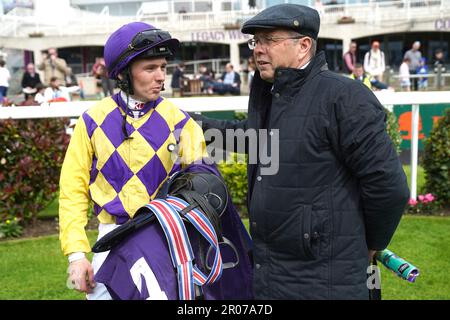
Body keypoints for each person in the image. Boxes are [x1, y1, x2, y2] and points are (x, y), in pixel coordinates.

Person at [190, 3, 409, 299]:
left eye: (269, 40)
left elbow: (388, 186)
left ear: (304, 46)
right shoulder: (273, 93)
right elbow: (256, 140)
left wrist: (371, 245)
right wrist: (190, 124)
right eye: (256, 41)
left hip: (323, 280)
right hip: (272, 275)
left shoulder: (344, 97)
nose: (257, 49)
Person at [58, 22, 252, 300]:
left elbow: (206, 185)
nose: (161, 76)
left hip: (164, 238)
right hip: (110, 239)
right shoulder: (92, 121)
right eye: (150, 69)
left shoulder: (180, 121)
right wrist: (77, 255)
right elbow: (72, 191)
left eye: (163, 67)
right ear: (124, 74)